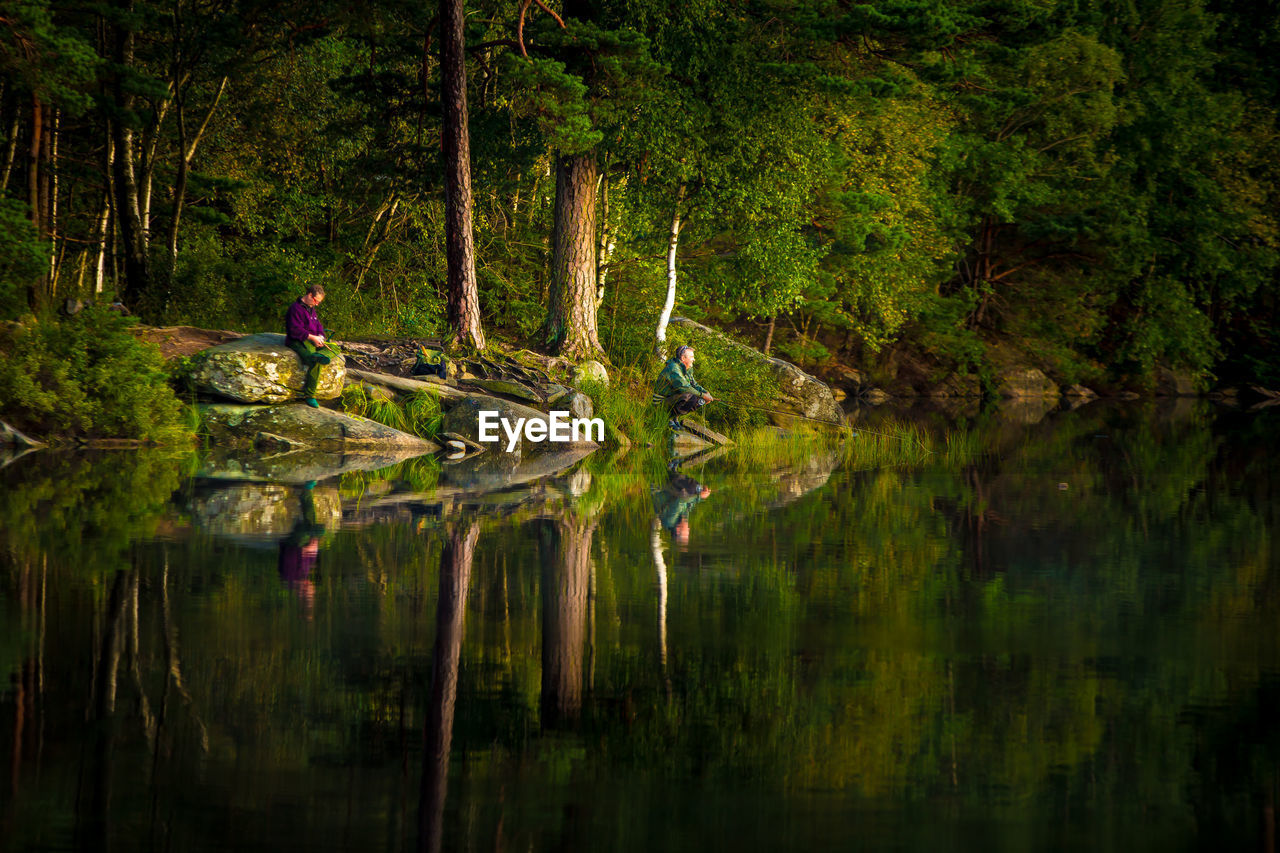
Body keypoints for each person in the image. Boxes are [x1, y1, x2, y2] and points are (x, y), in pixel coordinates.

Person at [284, 284, 338, 408]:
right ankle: (309, 395)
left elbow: (318, 325)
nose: (317, 304)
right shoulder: (295, 309)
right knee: (315, 361)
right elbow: (294, 330)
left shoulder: (311, 308)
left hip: (312, 341)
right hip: (297, 341)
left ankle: (320, 354)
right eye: (316, 301)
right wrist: (312, 337)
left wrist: (321, 337)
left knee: (335, 347)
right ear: (310, 295)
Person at [653, 345, 714, 430]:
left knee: (700, 400)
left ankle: (675, 417)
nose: (694, 359)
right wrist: (702, 395)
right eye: (692, 357)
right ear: (683, 358)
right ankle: (667, 418)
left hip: (671, 399)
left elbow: (694, 384)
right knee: (689, 395)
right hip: (660, 402)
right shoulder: (674, 368)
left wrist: (705, 392)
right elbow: (684, 387)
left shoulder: (687, 369)